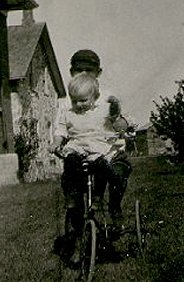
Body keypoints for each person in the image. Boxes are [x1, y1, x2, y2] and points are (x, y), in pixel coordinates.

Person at [51, 71, 132, 265]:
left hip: (98, 147)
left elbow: (120, 124)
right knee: (70, 162)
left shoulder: (102, 111)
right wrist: (56, 142)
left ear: (95, 98)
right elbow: (61, 131)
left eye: (83, 101)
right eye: (74, 101)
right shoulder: (68, 113)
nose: (78, 105)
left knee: (101, 163)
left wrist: (115, 111)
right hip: (78, 147)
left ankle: (102, 193)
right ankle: (71, 196)